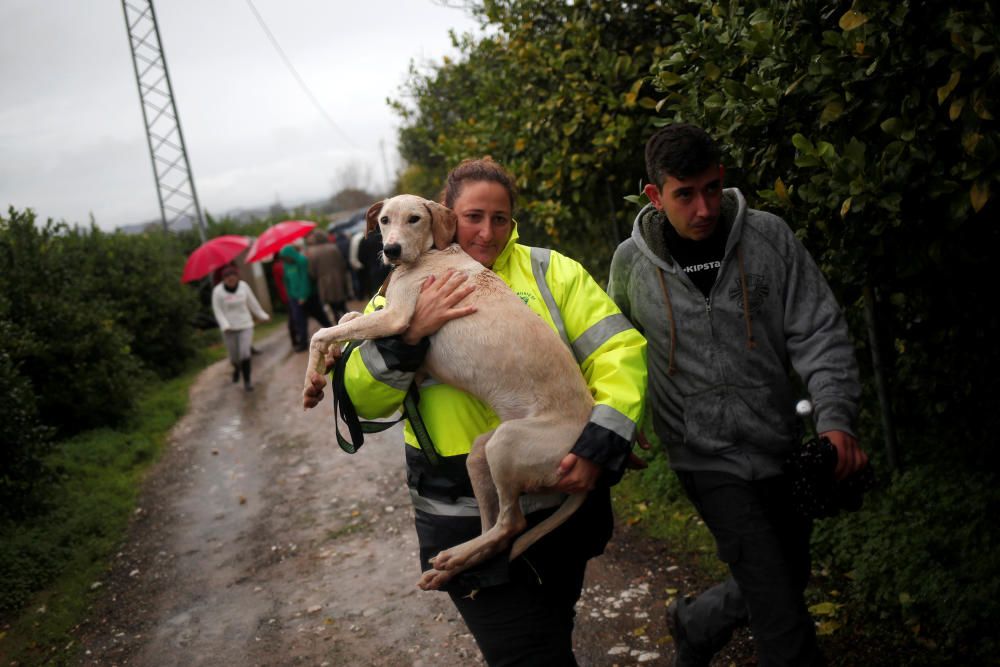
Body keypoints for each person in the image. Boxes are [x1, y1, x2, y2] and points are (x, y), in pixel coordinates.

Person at [306, 157, 647, 666]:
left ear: (512, 221)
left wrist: (604, 439)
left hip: (564, 497)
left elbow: (620, 351)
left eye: (500, 218)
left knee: (553, 641)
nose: (487, 231)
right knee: (525, 656)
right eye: (473, 217)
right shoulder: (400, 286)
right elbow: (364, 399)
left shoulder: (549, 270)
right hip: (459, 516)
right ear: (448, 218)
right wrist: (411, 335)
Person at [608, 124, 868, 667]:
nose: (703, 208)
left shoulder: (769, 238)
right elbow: (616, 356)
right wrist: (618, 425)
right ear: (656, 196)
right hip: (702, 456)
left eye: (711, 188)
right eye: (685, 194)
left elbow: (817, 330)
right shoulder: (631, 265)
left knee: (786, 576)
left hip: (779, 442)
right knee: (780, 609)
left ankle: (695, 623)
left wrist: (835, 418)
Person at [211, 264, 270, 391]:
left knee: (245, 353)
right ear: (223, 279)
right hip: (229, 329)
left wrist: (262, 315)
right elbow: (218, 311)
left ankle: (247, 381)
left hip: (245, 325)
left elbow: (252, 302)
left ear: (237, 276)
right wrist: (225, 325)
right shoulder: (218, 291)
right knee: (234, 357)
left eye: (233, 276)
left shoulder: (244, 287)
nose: (230, 279)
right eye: (227, 277)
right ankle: (236, 368)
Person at [279, 242, 332, 352]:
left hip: (309, 296)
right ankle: (303, 343)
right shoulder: (286, 265)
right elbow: (286, 281)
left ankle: (332, 332)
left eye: (286, 257)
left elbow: (305, 279)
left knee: (320, 315)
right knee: (299, 320)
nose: (285, 259)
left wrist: (303, 295)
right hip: (294, 297)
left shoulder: (302, 261)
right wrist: (291, 296)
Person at [305, 228, 350, 322]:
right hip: (338, 278)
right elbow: (342, 263)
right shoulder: (333, 247)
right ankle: (350, 319)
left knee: (332, 305)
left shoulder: (311, 252)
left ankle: (337, 320)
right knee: (342, 303)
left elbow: (312, 271)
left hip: (323, 281)